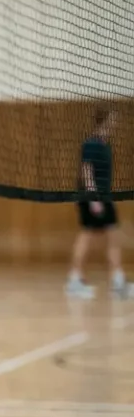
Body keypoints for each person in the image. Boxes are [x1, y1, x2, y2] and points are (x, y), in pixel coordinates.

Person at [66, 109, 129, 299]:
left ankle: (117, 281)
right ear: (103, 122)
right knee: (87, 236)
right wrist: (93, 198)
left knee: (111, 235)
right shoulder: (91, 144)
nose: (114, 125)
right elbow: (86, 169)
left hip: (104, 197)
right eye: (112, 121)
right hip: (92, 197)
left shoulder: (105, 144)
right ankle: (75, 280)